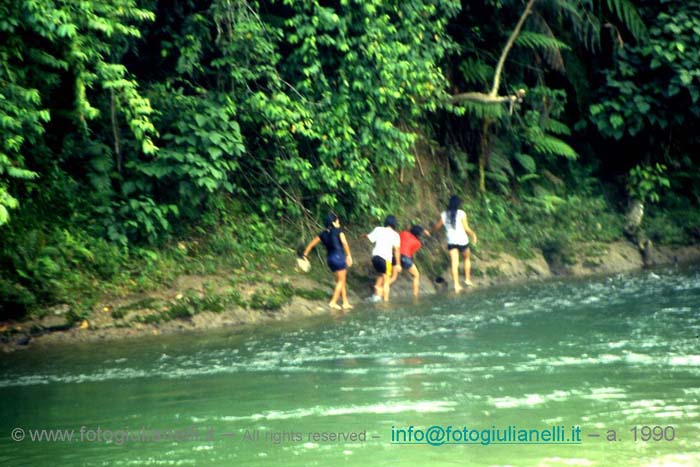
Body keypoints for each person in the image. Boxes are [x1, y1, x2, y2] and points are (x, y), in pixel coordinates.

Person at [302, 213, 353, 310]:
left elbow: (312, 244)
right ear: (334, 222)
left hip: (330, 259)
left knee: (340, 281)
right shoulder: (339, 231)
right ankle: (333, 302)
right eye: (337, 220)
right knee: (341, 281)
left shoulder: (323, 234)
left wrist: (305, 254)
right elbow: (344, 243)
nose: (339, 222)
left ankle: (345, 302)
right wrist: (348, 255)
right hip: (339, 257)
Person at [433, 195, 478, 293]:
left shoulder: (444, 214)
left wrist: (431, 230)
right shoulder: (462, 213)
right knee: (466, 258)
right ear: (458, 204)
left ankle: (456, 285)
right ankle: (467, 279)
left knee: (454, 263)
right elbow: (466, 229)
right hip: (462, 240)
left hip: (451, 241)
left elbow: (437, 227)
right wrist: (473, 235)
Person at [366, 215, 401, 302]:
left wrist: (364, 235)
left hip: (375, 258)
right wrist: (398, 264)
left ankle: (376, 294)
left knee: (382, 274)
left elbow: (369, 237)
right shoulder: (396, 235)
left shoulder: (378, 229)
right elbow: (396, 250)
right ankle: (385, 301)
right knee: (386, 281)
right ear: (394, 224)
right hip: (386, 261)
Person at [389, 225, 430, 298]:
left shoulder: (404, 233)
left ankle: (381, 288)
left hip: (395, 256)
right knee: (416, 275)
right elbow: (409, 254)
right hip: (405, 257)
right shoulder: (418, 243)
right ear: (419, 235)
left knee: (393, 277)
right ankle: (415, 296)